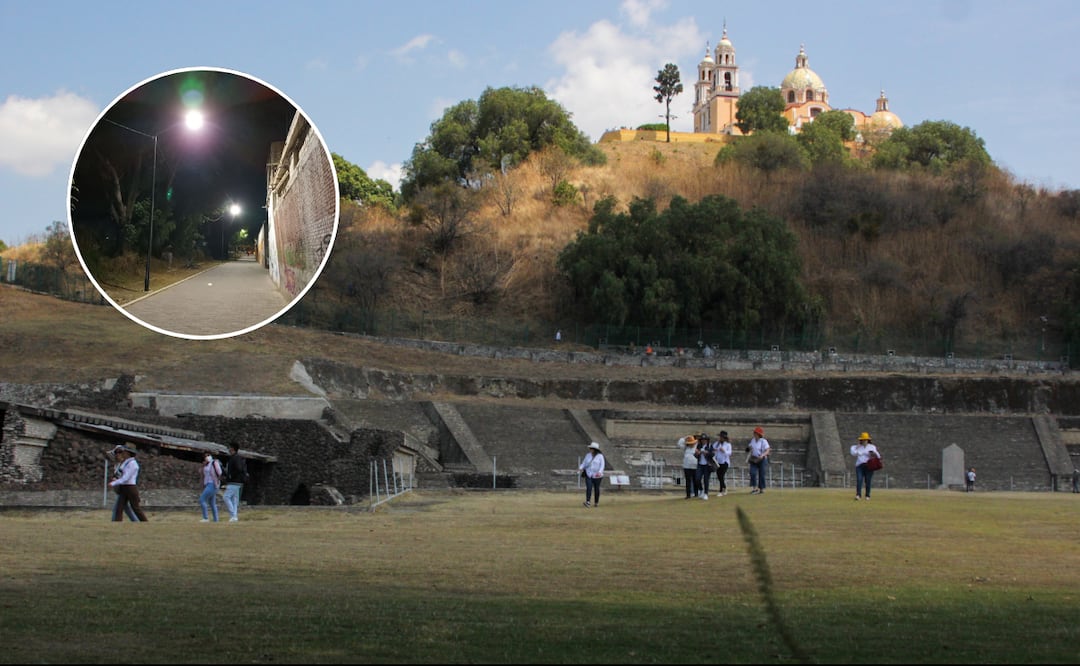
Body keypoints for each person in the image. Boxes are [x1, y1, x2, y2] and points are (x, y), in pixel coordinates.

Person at [108, 445, 148, 522]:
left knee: (135, 507)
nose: (122, 454)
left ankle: (144, 522)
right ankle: (117, 522)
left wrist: (113, 483)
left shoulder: (132, 463)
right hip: (124, 487)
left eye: (124, 452)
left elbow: (126, 478)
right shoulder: (125, 463)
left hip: (130, 487)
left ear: (128, 453)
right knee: (119, 507)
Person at [850, 432, 882, 501]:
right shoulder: (857, 447)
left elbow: (878, 456)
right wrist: (857, 448)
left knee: (868, 481)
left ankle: (867, 495)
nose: (864, 441)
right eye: (863, 440)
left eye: (865, 440)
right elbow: (853, 453)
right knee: (859, 480)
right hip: (860, 466)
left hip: (869, 466)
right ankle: (858, 495)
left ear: (868, 440)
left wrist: (873, 454)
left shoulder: (872, 447)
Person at [222, 443, 249, 522]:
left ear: (233, 448)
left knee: (226, 497)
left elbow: (238, 469)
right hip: (238, 482)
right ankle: (234, 517)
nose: (229, 449)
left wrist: (231, 476)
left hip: (234, 481)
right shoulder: (237, 458)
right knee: (234, 499)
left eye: (230, 448)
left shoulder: (235, 458)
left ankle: (233, 514)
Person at [578, 442, 606, 508]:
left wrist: (599, 472)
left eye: (591, 448)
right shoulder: (588, 455)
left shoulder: (600, 456)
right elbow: (584, 463)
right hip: (589, 474)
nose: (590, 449)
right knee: (589, 487)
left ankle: (596, 502)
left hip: (597, 475)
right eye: (590, 448)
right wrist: (580, 468)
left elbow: (602, 465)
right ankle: (588, 502)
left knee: (596, 489)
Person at [198, 452, 223, 522]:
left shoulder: (214, 463)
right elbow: (200, 472)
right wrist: (203, 465)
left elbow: (219, 472)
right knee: (212, 503)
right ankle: (216, 519)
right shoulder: (206, 465)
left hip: (213, 483)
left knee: (202, 499)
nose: (206, 457)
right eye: (205, 456)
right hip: (207, 483)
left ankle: (205, 517)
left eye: (208, 456)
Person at [746, 426, 771, 494]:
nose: (754, 434)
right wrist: (749, 448)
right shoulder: (753, 440)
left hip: (762, 459)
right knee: (752, 472)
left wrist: (762, 455)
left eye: (755, 433)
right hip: (754, 458)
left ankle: (761, 488)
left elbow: (767, 450)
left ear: (758, 434)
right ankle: (754, 487)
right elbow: (750, 447)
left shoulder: (763, 441)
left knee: (761, 473)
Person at [695, 433, 717, 500]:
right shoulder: (698, 446)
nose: (703, 441)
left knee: (706, 479)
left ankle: (706, 493)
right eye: (702, 440)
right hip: (700, 464)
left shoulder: (710, 446)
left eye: (705, 440)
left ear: (707, 440)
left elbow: (713, 454)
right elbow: (696, 455)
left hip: (707, 465)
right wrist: (697, 453)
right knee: (697, 478)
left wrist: (707, 453)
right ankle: (701, 489)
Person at [679, 434, 700, 499]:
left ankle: (696, 493)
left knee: (695, 480)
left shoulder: (696, 447)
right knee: (688, 481)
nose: (691, 444)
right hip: (687, 466)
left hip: (694, 466)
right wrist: (685, 437)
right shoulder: (686, 447)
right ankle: (688, 495)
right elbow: (679, 443)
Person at [714, 430, 733, 496]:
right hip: (718, 462)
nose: (720, 438)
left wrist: (724, 451)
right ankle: (724, 487)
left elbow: (729, 453)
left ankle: (721, 490)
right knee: (719, 475)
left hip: (725, 462)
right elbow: (713, 448)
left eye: (721, 437)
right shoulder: (717, 443)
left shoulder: (728, 445)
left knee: (721, 475)